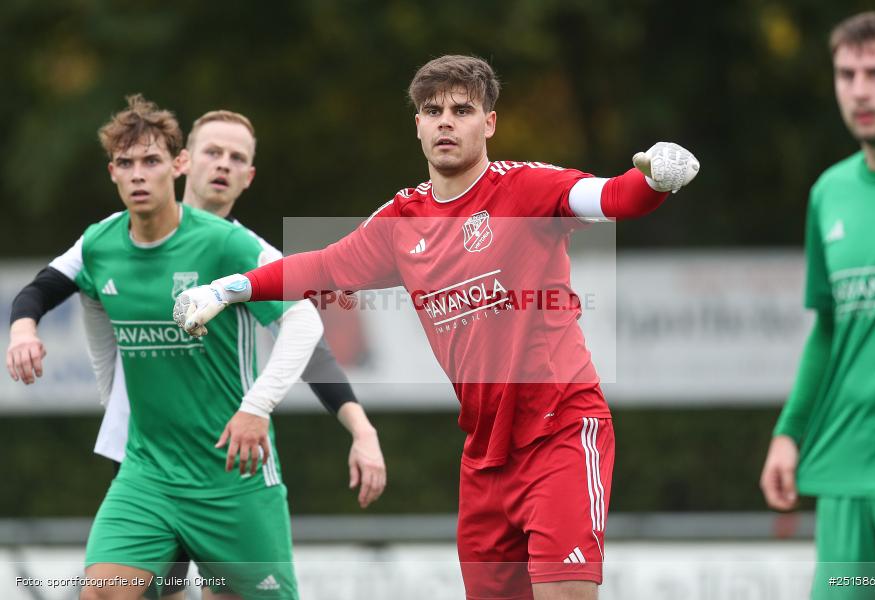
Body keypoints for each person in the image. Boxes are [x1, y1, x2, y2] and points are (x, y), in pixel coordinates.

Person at [174, 55, 699, 600]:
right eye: (433, 110)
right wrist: (227, 289)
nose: (446, 120)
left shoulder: (526, 189)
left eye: (462, 109)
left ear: (489, 122)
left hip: (560, 428)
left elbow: (612, 196)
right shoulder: (403, 220)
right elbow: (323, 268)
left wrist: (655, 181)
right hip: (484, 455)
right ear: (418, 125)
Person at [7, 94, 368, 600]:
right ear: (186, 162)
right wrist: (24, 327)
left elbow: (307, 327)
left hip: (228, 471)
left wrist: (348, 423)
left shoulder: (234, 246)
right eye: (212, 151)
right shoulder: (103, 241)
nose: (222, 164)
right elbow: (48, 289)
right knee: (113, 592)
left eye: (237, 157)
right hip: (145, 466)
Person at [759, 11, 875, 599]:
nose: (859, 90)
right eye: (846, 74)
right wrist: (789, 433)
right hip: (844, 474)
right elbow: (829, 329)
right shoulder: (829, 193)